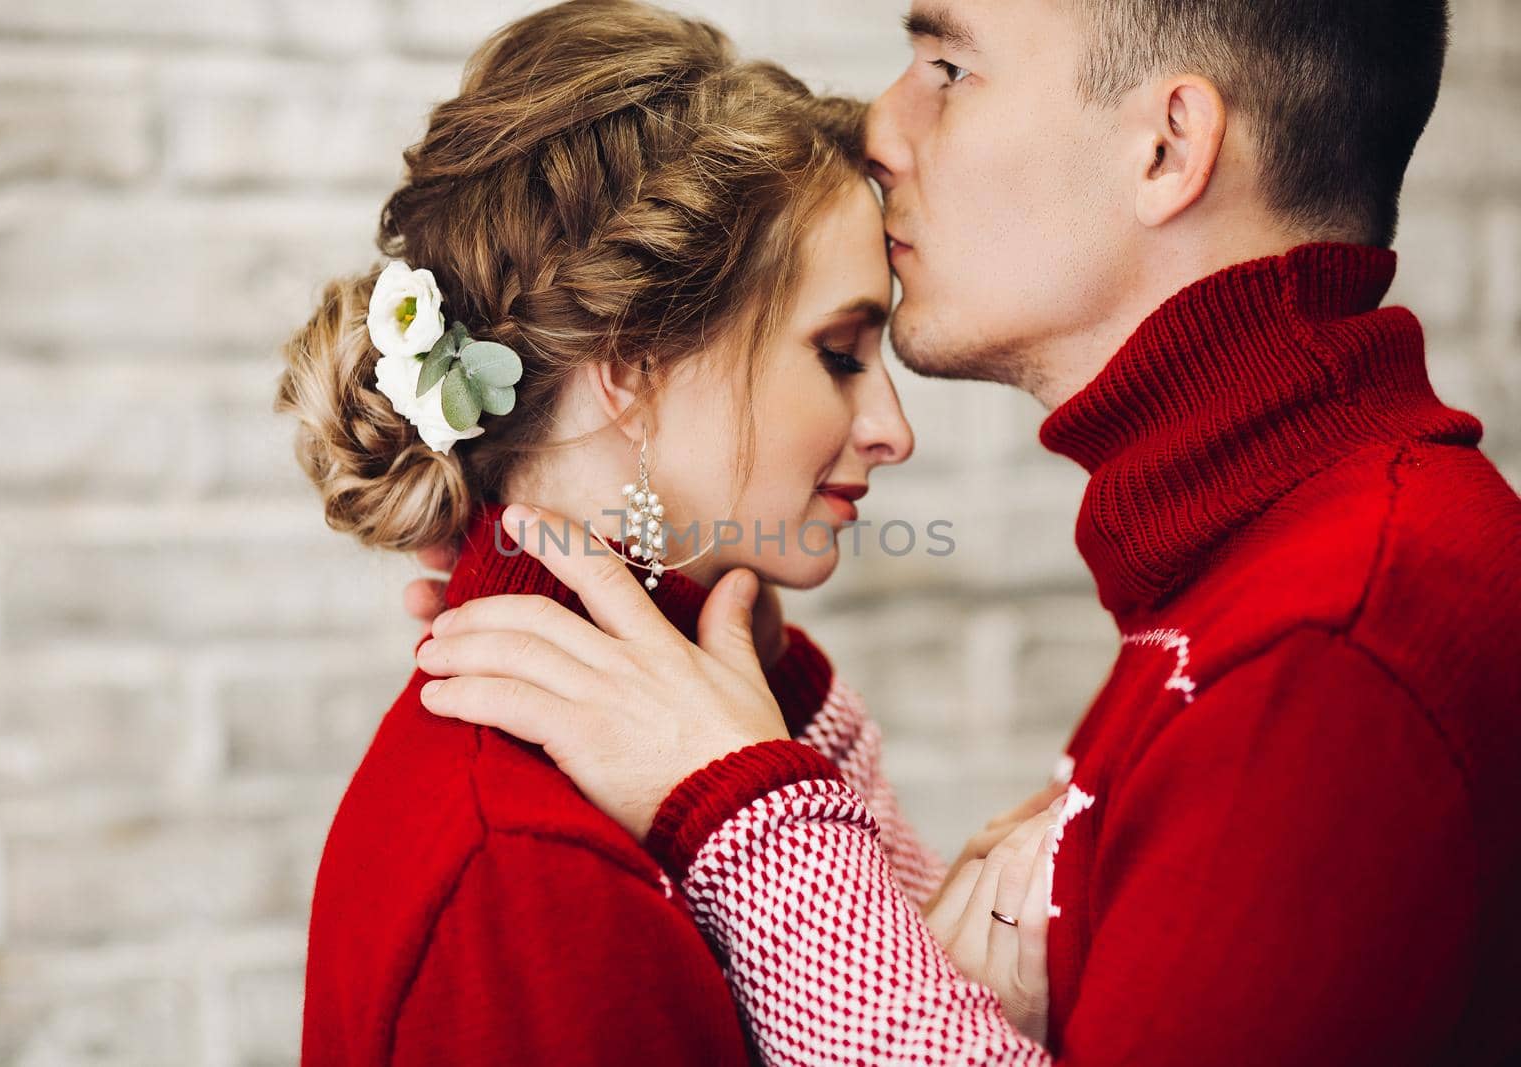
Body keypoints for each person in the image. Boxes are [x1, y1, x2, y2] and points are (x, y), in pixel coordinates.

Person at [412, 0, 1521, 1064]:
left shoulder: (1331, 647)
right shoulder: (1265, 576)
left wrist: (746, 809)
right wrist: (733, 674)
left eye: (947, 69)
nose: (876, 127)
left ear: (1166, 148)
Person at [275, 2, 1059, 1063]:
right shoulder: (527, 865)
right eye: (837, 352)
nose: (891, 431)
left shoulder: (697, 744)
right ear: (631, 364)